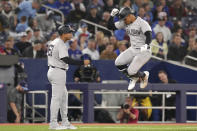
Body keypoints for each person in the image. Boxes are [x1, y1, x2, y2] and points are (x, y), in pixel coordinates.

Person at [47, 25, 90, 130]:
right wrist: (82, 62)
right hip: (58, 71)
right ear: (64, 33)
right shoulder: (60, 43)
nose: (71, 34)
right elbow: (66, 59)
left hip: (54, 70)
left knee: (64, 97)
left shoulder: (54, 42)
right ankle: (53, 123)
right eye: (69, 32)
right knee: (56, 98)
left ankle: (65, 121)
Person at [107, 7, 152, 90]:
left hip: (144, 51)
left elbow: (148, 34)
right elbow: (110, 27)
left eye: (125, 18)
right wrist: (112, 16)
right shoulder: (126, 22)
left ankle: (144, 75)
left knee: (131, 71)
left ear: (130, 15)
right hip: (133, 48)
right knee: (118, 63)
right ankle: (134, 77)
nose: (124, 21)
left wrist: (147, 44)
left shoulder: (142, 22)